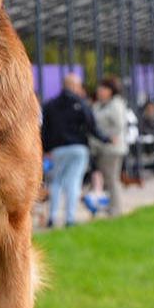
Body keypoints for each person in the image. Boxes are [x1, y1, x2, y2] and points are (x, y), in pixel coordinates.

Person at [40, 74, 107, 228]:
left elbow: (45, 130)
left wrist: (46, 148)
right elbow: (91, 126)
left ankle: (52, 216)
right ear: (75, 86)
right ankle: (70, 218)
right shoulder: (80, 103)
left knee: (56, 182)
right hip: (78, 147)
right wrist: (105, 139)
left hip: (58, 149)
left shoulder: (50, 105)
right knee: (73, 182)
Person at [89, 76, 130, 218]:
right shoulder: (100, 104)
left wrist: (106, 137)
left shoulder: (115, 105)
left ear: (111, 90)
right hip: (101, 148)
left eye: (103, 88)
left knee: (112, 179)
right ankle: (112, 206)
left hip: (112, 149)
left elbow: (118, 126)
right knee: (108, 180)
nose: (99, 91)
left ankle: (116, 209)